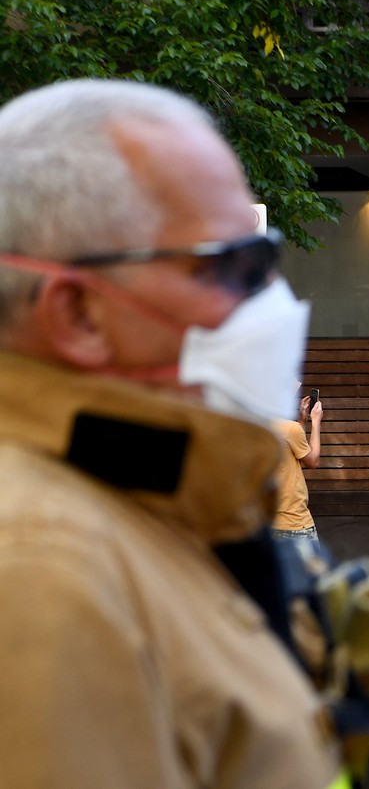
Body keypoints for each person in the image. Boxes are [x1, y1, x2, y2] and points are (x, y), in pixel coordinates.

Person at [0, 79, 341, 785]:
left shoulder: (156, 499)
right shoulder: (42, 572)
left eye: (265, 262)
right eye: (228, 267)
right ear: (80, 314)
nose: (269, 304)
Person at [271, 390, 323, 542]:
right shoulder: (290, 429)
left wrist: (302, 422)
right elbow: (312, 461)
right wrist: (315, 422)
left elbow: (291, 451)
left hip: (270, 522)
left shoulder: (260, 426)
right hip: (295, 521)